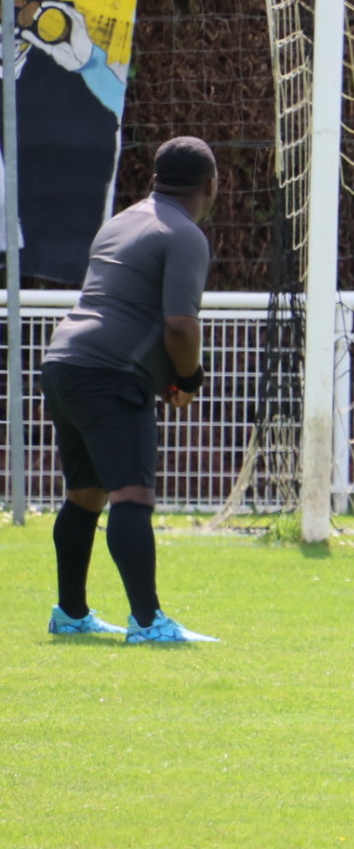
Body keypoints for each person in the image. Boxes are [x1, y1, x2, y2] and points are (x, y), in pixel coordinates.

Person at [41, 135, 220, 644]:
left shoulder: (119, 222)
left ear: (155, 179)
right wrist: (188, 378)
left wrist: (164, 374)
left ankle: (71, 614)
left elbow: (124, 306)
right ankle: (147, 622)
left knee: (85, 494)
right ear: (212, 185)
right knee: (131, 494)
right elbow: (180, 326)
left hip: (63, 362)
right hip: (109, 374)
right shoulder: (184, 234)